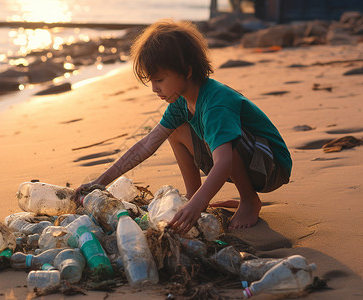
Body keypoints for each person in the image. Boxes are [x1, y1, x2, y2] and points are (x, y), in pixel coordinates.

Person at [76, 19, 292, 234]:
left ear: (187, 71)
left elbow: (224, 161)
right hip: (246, 160)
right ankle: (193, 192)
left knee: (221, 134)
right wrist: (100, 182)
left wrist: (197, 206)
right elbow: (147, 145)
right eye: (151, 81)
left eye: (159, 79)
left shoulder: (216, 102)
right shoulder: (181, 101)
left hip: (271, 166)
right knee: (175, 130)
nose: (154, 88)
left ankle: (249, 200)